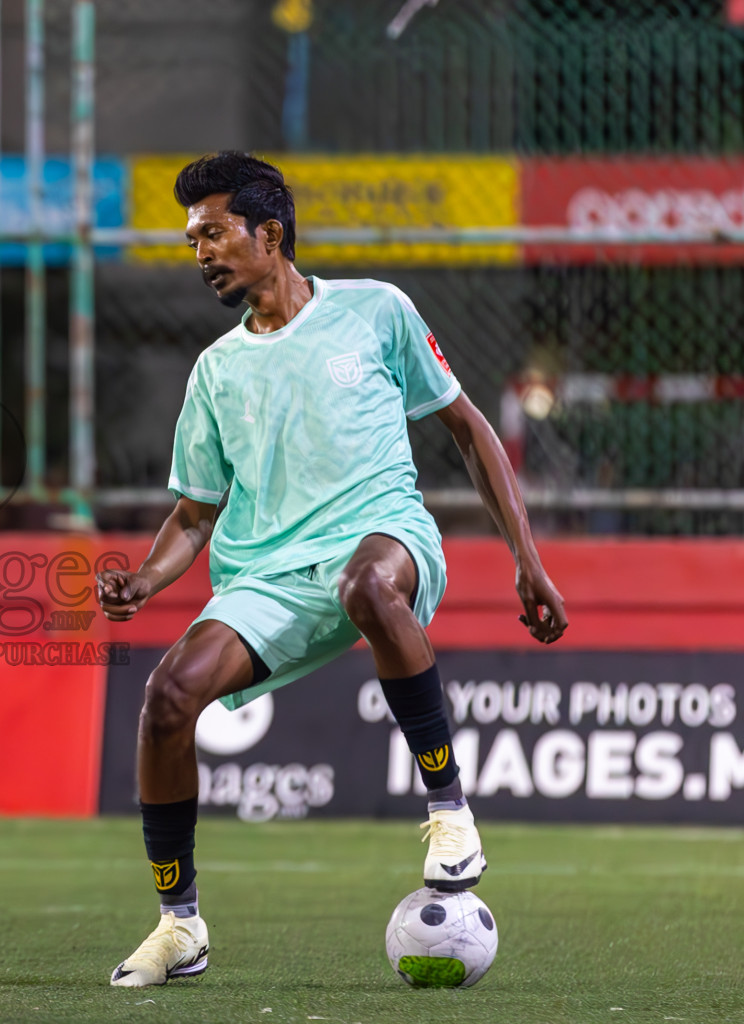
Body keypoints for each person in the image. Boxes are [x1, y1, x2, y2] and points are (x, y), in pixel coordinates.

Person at [97, 151, 568, 988]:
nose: (199, 251)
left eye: (213, 233)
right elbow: (197, 513)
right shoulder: (216, 371)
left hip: (384, 536)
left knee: (366, 584)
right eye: (191, 239)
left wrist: (526, 562)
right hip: (269, 577)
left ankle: (450, 811)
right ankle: (180, 926)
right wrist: (144, 579)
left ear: (268, 233)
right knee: (167, 698)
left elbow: (468, 430)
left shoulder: (376, 311)